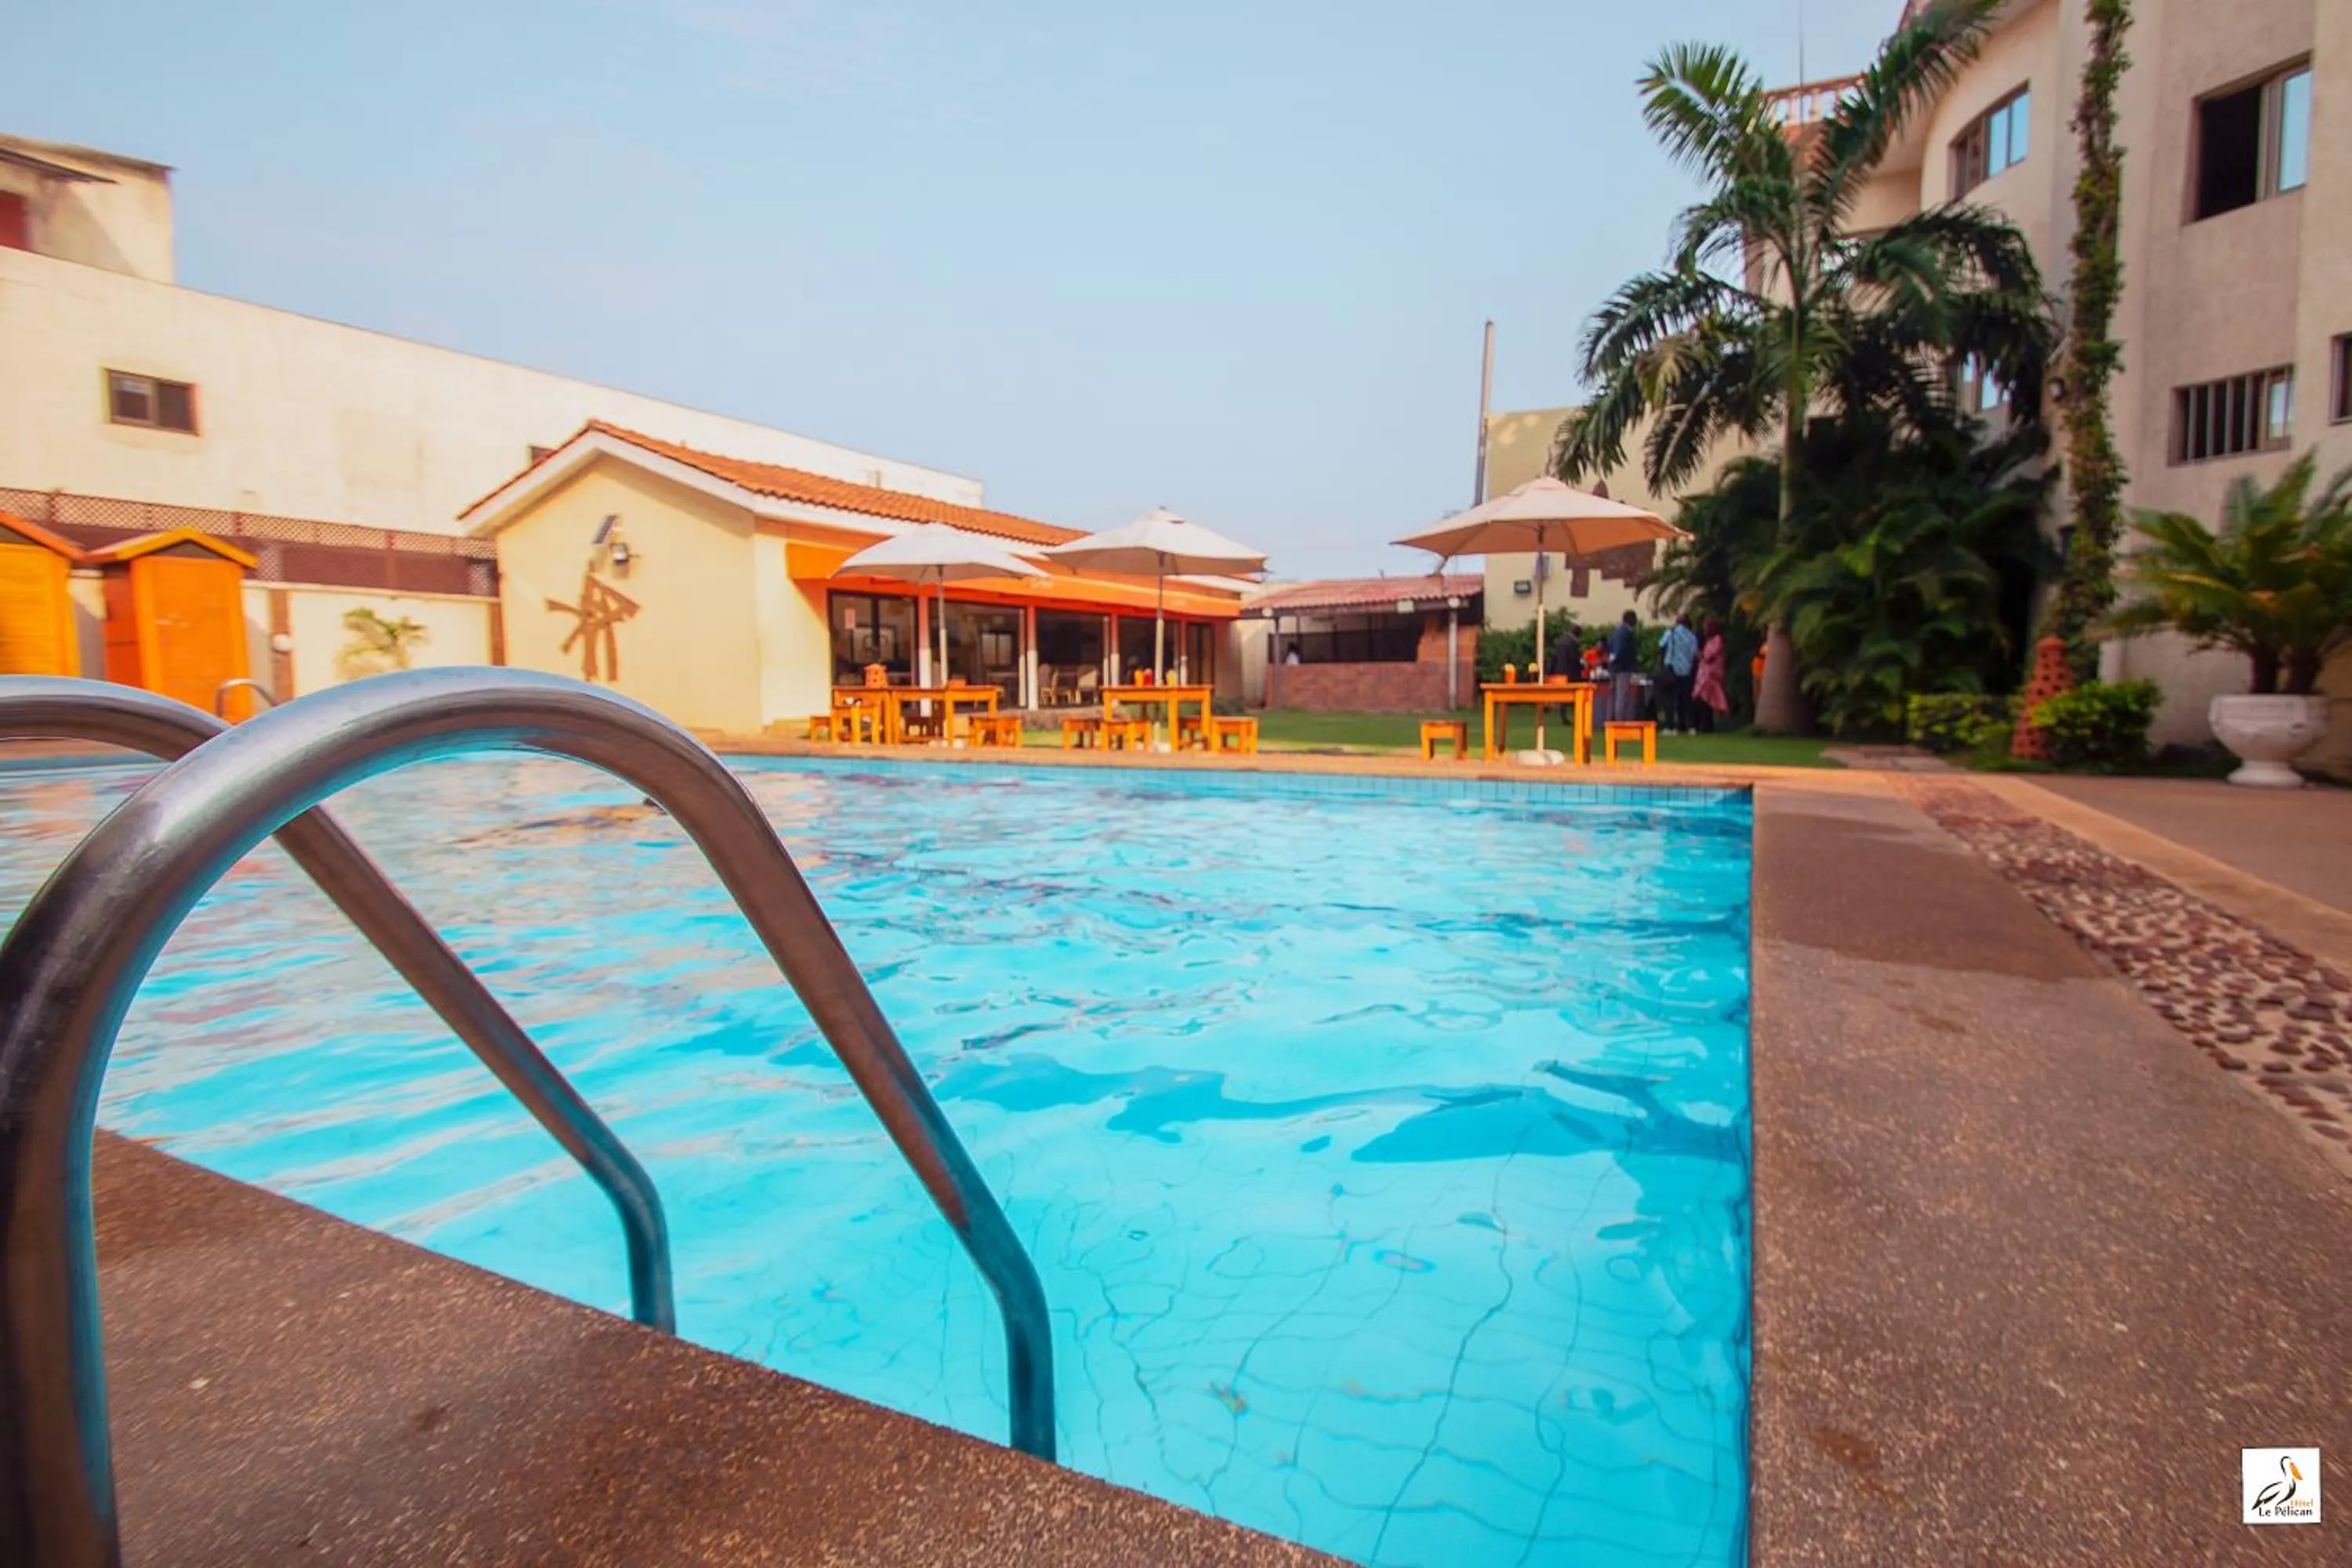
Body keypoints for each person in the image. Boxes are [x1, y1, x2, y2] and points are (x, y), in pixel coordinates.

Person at [1659, 613, 1700, 734]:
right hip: (1686, 670)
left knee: (1669, 699)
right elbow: (1694, 654)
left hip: (1671, 669)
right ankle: (1690, 726)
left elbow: (1661, 646)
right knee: (1686, 699)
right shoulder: (1692, 637)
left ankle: (1670, 726)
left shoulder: (1670, 633)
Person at [1693, 619, 1731, 733]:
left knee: (1705, 697)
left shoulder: (1717, 640)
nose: (1704, 631)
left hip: (1711, 674)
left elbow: (1709, 656)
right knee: (1703, 699)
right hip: (1705, 673)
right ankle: (1705, 725)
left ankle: (1707, 725)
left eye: (1706, 628)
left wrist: (1700, 655)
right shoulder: (1709, 641)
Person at [1605, 609, 1641, 723]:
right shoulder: (1626, 633)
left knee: (1612, 694)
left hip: (1613, 667)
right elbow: (1621, 650)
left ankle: (1609, 719)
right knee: (1622, 695)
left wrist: (1611, 660)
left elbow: (1610, 646)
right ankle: (1620, 721)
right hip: (1624, 668)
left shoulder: (1615, 632)